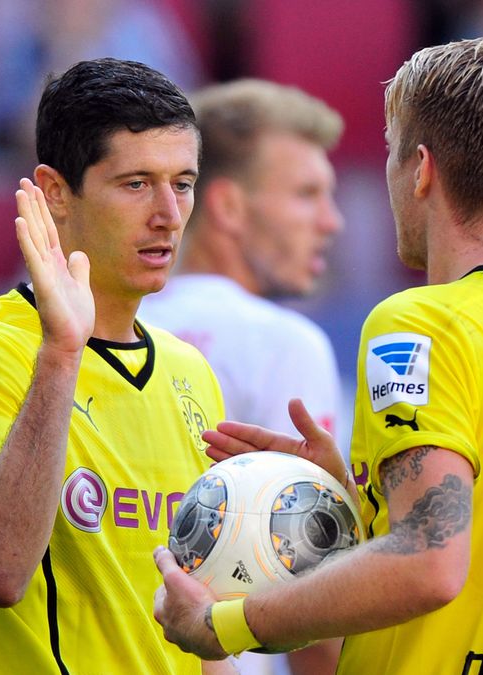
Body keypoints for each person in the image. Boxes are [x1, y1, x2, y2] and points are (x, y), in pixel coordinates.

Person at [152, 21, 483, 674]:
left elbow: (431, 561)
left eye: (391, 152)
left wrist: (227, 623)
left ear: (422, 170)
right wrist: (358, 501)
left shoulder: (421, 324)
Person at [0, 58, 232, 674]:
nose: (167, 213)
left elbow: (198, 626)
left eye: (183, 183)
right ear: (56, 193)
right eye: (136, 183)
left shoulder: (191, 373)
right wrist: (61, 353)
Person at [139, 78, 346, 675]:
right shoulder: (285, 343)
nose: (330, 221)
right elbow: (311, 570)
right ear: (227, 206)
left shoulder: (97, 324)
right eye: (307, 194)